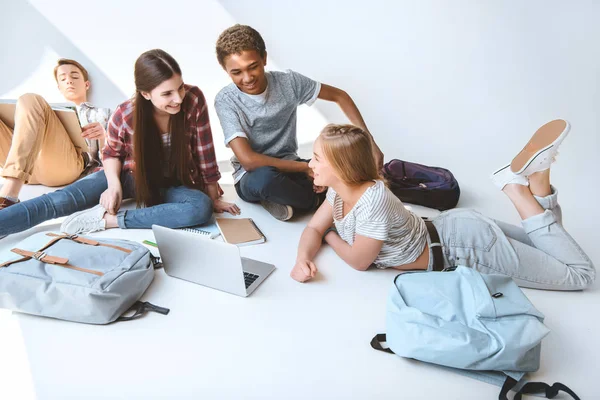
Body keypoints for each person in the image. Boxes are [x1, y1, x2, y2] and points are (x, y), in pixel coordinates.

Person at [290, 121, 595, 291]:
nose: (309, 163)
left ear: (342, 167)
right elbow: (313, 227)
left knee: (579, 273)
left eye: (317, 158)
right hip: (456, 229)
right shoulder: (338, 192)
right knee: (553, 245)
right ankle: (539, 178)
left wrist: (331, 235)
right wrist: (302, 257)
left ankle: (514, 188)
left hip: (466, 248)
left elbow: (359, 261)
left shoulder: (372, 200)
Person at [0, 49, 239, 238]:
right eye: (167, 94)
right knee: (58, 202)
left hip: (171, 181)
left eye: (179, 88)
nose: (178, 98)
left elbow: (204, 148)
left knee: (200, 208)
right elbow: (111, 153)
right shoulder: (125, 114)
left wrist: (212, 195)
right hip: (127, 175)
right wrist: (113, 186)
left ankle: (109, 221)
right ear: (145, 93)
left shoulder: (194, 99)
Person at [214, 24, 384, 221]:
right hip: (252, 177)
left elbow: (340, 96)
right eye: (237, 72)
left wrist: (370, 141)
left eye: (253, 67)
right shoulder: (226, 100)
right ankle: (317, 202)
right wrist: (306, 168)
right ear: (226, 70)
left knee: (342, 172)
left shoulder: (289, 82)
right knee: (266, 180)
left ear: (264, 58)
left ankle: (287, 201)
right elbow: (249, 161)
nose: (247, 78)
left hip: (291, 165)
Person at [0, 58, 110, 210]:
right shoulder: (41, 111)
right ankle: (15, 178)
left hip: (63, 167)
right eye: (63, 79)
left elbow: (113, 159)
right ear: (59, 87)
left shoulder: (103, 113)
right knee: (29, 103)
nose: (69, 81)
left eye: (75, 77)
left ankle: (7, 196)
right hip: (29, 167)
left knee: (30, 98)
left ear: (86, 84)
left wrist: (104, 137)